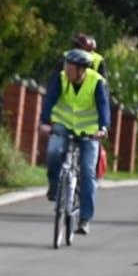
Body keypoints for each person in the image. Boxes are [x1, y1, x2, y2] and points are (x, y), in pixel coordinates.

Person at [41, 47, 112, 235]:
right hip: (64, 125)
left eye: (72, 68)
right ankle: (55, 187)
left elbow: (104, 107)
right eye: (67, 66)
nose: (68, 70)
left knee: (88, 173)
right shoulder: (61, 78)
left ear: (82, 69)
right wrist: (44, 121)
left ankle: (84, 219)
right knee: (53, 152)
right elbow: (49, 99)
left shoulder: (97, 82)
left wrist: (102, 128)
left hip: (89, 132)